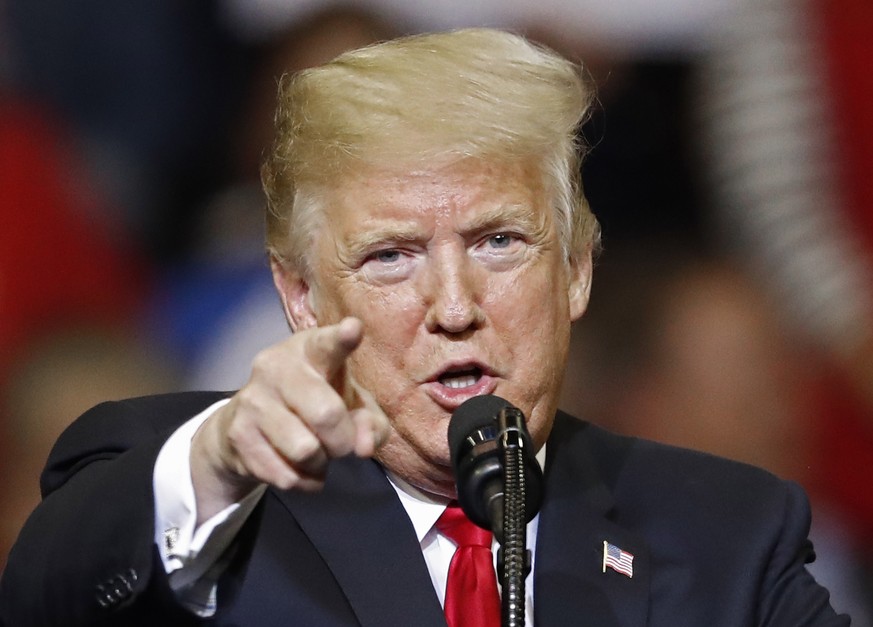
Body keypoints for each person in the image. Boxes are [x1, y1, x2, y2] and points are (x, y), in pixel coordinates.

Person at [0, 28, 849, 626]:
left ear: (578, 269)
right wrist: (220, 457)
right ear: (302, 298)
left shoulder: (726, 531)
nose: (452, 305)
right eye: (391, 257)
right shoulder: (200, 492)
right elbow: (43, 596)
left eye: (499, 241)